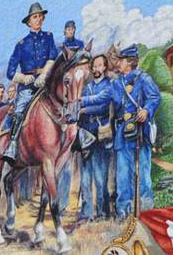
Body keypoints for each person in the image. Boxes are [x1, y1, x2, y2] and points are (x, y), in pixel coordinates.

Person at [82, 44, 160, 220]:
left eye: (122, 60)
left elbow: (155, 97)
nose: (118, 63)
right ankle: (123, 211)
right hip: (122, 133)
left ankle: (145, 209)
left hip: (140, 132)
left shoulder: (143, 79)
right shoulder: (116, 83)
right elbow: (99, 98)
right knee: (123, 174)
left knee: (143, 172)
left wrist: (147, 110)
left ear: (130, 62)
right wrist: (79, 100)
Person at [3, 2, 59, 162]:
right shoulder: (21, 44)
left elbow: (53, 57)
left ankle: (77, 137)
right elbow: (10, 72)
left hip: (47, 83)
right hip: (28, 86)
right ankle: (12, 145)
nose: (39, 19)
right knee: (20, 110)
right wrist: (24, 78)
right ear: (28, 21)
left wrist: (44, 75)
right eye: (35, 17)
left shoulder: (49, 37)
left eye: (41, 16)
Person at [77, 54, 113, 222]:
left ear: (105, 67)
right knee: (85, 179)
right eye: (94, 66)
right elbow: (78, 108)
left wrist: (85, 108)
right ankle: (86, 213)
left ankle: (103, 212)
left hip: (100, 135)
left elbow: (102, 106)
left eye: (100, 65)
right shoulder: (87, 87)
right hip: (86, 135)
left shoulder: (109, 86)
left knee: (100, 178)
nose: (96, 69)